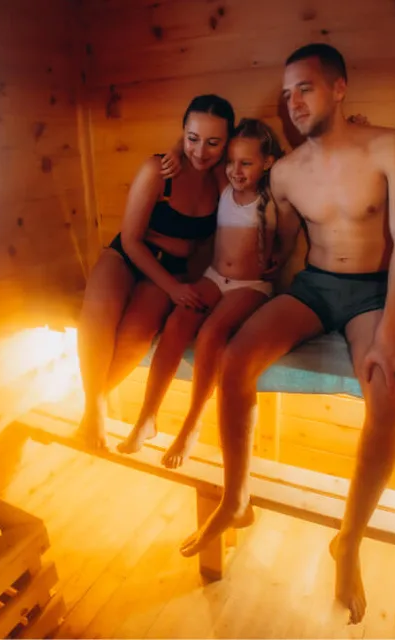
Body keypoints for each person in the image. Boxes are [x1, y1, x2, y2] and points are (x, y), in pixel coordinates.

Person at [178, 44, 395, 626]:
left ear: (339, 88)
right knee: (237, 359)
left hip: (371, 292)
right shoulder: (286, 172)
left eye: (305, 88)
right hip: (314, 285)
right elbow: (281, 242)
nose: (293, 103)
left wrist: (391, 331)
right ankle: (236, 497)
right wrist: (248, 274)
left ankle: (349, 540)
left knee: (388, 391)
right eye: (287, 94)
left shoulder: (390, 146)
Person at [116, 119, 301, 468]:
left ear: (267, 163)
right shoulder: (223, 184)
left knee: (212, 332)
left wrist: (282, 254)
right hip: (214, 278)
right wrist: (175, 149)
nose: (235, 171)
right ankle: (148, 416)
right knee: (177, 322)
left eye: (246, 163)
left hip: (251, 286)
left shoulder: (275, 193)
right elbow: (198, 152)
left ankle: (192, 424)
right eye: (231, 162)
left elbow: (290, 231)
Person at [76, 95, 235, 451]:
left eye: (213, 142)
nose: (200, 151)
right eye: (192, 139)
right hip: (127, 256)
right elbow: (131, 239)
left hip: (169, 270)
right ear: (183, 132)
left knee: (137, 333)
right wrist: (174, 287)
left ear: (227, 143)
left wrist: (181, 262)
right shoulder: (160, 170)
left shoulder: (222, 183)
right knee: (98, 314)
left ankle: (91, 407)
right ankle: (94, 412)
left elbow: (202, 244)